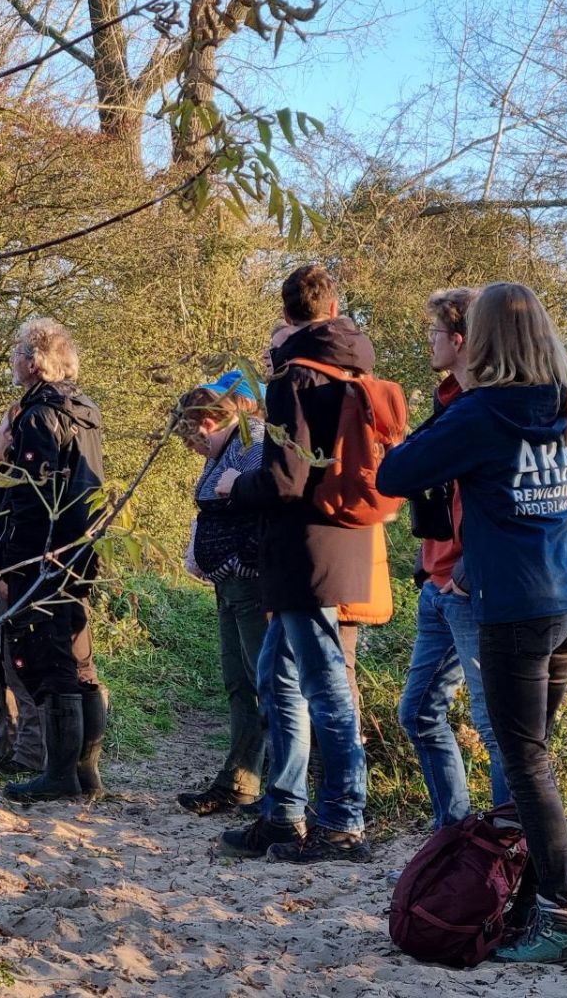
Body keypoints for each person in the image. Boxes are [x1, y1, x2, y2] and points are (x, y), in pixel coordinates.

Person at [378, 281, 567, 965]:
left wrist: (452, 404)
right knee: (535, 761)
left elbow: (394, 473)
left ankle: (564, 918)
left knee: (525, 764)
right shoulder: (561, 403)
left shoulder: (480, 412)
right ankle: (531, 906)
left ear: (484, 340)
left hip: (517, 608)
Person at [214, 264, 376, 864]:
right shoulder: (354, 367)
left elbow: (286, 478)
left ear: (286, 314)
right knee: (278, 678)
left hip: (302, 550)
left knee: (323, 686)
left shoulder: (296, 378)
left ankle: (343, 822)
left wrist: (235, 486)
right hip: (343, 538)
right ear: (332, 309)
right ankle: (283, 814)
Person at [396, 287, 508, 829]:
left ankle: (508, 851)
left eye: (436, 333)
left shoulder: (488, 408)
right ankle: (457, 836)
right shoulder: (448, 402)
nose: (430, 342)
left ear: (460, 340)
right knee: (418, 713)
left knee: (495, 727)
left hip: (468, 585)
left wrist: (466, 571)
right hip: (438, 581)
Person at [0, 318, 109, 802]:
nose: (13, 360)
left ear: (36, 361)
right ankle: (86, 774)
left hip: (45, 554)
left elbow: (32, 497)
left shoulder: (39, 416)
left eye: (19, 352)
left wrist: (13, 564)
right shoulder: (86, 411)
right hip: (80, 548)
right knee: (78, 659)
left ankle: (60, 774)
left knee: (50, 657)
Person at [171, 371, 270, 816]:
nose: (192, 449)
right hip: (228, 583)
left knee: (265, 682)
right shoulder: (227, 448)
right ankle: (239, 780)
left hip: (250, 582)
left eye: (192, 440)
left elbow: (261, 502)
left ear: (208, 423)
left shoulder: (253, 442)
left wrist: (237, 559)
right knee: (238, 681)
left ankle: (279, 790)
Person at [0, 402, 45, 775]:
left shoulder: (23, 479)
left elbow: (21, 531)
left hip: (11, 583)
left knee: (17, 668)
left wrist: (8, 574)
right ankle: (6, 744)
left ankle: (30, 752)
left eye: (2, 428)